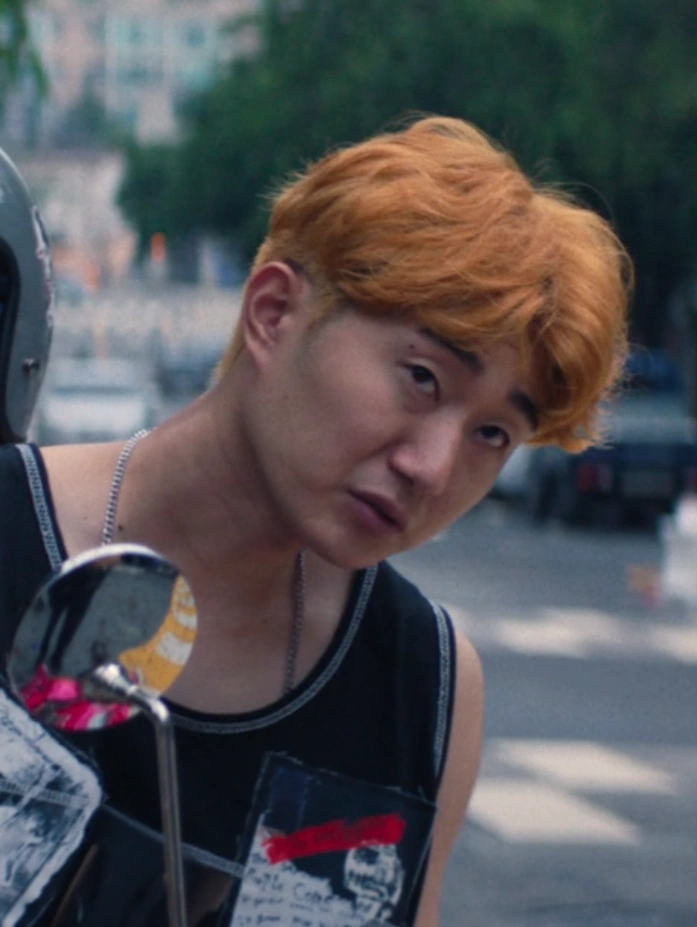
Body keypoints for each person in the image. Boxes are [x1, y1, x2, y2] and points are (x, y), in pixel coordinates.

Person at [0, 116, 630, 926]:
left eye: (492, 434)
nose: (433, 467)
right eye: (421, 377)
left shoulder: (425, 686)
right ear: (273, 312)